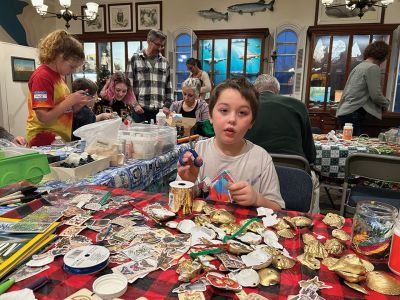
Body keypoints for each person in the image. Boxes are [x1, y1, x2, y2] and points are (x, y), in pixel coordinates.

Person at [178, 78, 284, 210]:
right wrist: (188, 182)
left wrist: (257, 199)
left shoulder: (262, 158)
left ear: (252, 122)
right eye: (224, 110)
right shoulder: (197, 151)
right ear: (210, 115)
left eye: (242, 113)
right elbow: (179, 203)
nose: (232, 119)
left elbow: (278, 209)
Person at [246, 74, 319, 213]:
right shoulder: (298, 105)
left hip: (253, 175)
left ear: (255, 91)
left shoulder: (247, 106)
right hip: (295, 171)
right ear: (277, 90)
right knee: (314, 182)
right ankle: (311, 224)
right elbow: (311, 155)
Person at [26, 30, 92, 147]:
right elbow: (43, 116)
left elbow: (60, 111)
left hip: (58, 141)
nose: (73, 71)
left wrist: (76, 105)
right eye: (72, 66)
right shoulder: (42, 76)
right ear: (59, 57)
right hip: (43, 141)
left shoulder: (58, 77)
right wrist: (70, 101)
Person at [336, 41, 391, 136]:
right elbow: (376, 95)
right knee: (355, 147)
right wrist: (386, 103)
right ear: (383, 55)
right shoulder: (372, 68)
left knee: (347, 145)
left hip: (346, 111)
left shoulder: (359, 66)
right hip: (355, 113)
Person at [130, 29, 172, 123]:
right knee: (139, 138)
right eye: (158, 45)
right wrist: (135, 105)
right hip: (140, 111)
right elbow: (129, 86)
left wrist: (167, 105)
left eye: (162, 45)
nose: (160, 48)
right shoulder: (135, 59)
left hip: (160, 112)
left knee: (159, 138)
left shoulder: (165, 62)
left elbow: (168, 87)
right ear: (148, 41)